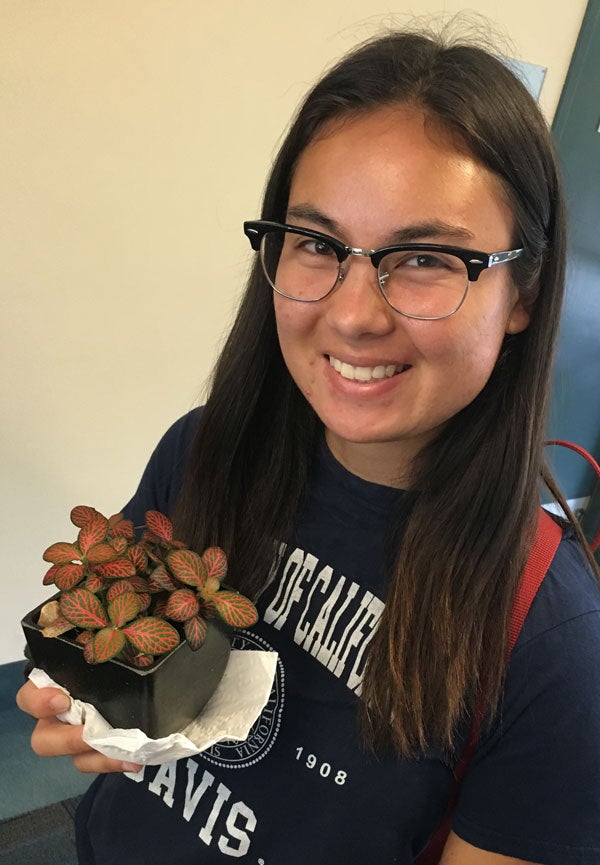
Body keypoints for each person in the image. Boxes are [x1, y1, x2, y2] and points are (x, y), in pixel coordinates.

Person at [16, 25, 600, 865]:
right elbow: (119, 646)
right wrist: (88, 703)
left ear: (524, 294)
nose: (355, 313)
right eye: (319, 244)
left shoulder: (554, 650)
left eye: (427, 257)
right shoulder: (207, 447)